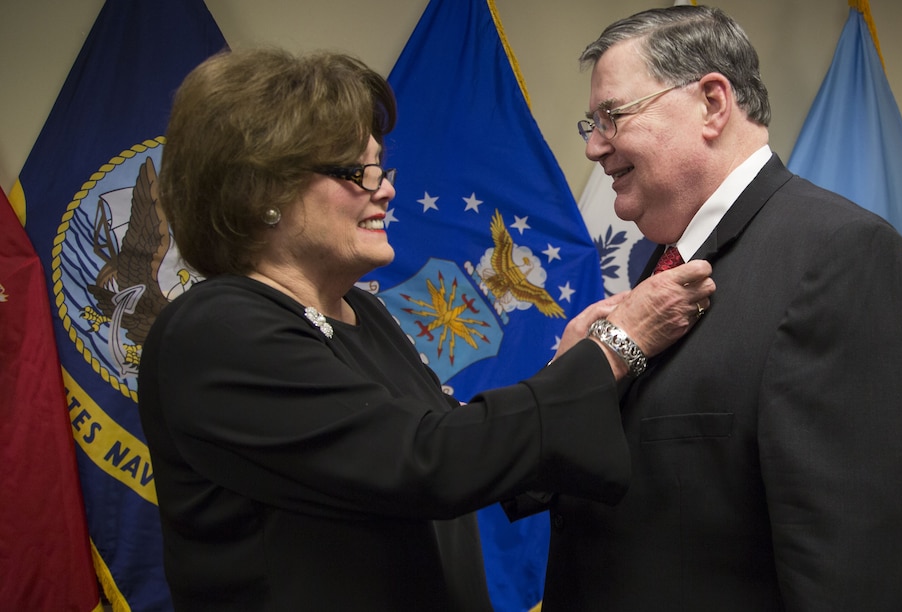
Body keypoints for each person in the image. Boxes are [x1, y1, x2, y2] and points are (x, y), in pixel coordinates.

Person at [137, 47, 714, 612]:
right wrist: (614, 350)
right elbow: (425, 462)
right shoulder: (216, 330)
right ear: (261, 191)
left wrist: (570, 366)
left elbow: (463, 442)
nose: (384, 187)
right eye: (356, 171)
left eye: (379, 166)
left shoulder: (366, 316)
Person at [531, 6, 902, 610]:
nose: (595, 147)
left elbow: (865, 570)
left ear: (711, 103)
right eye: (591, 123)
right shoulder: (653, 269)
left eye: (613, 116)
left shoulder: (844, 260)